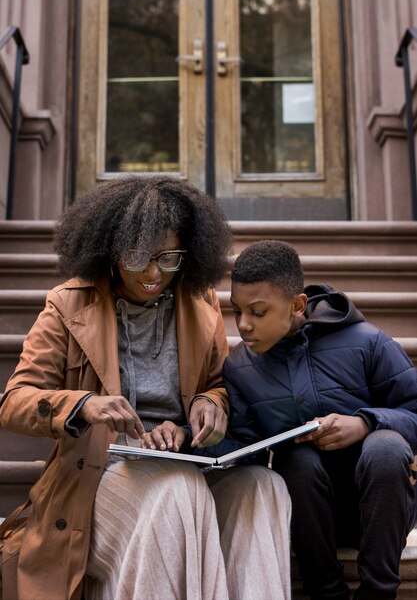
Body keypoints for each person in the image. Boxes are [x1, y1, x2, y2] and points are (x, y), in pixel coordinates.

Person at [0, 178, 292, 600]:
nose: (155, 273)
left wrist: (210, 405)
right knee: (176, 489)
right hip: (100, 475)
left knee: (264, 487)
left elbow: (216, 384)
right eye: (140, 257)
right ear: (113, 251)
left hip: (185, 462)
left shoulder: (200, 303)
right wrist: (85, 405)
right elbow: (15, 401)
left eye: (169, 258)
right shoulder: (68, 305)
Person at [222, 239, 417, 600]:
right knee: (295, 458)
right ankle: (326, 594)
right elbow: (244, 447)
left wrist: (364, 423)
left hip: (383, 513)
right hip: (308, 518)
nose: (244, 325)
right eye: (237, 312)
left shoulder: (367, 342)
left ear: (296, 305)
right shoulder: (239, 368)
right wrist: (193, 438)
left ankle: (378, 594)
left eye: (258, 312)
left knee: (387, 446)